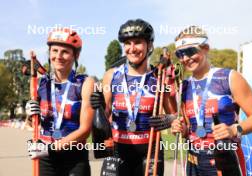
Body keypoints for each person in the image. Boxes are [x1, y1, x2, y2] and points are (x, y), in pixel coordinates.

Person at [150, 26, 252, 176]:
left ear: (205, 48)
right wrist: (181, 129)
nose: (185, 58)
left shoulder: (229, 77)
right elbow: (190, 129)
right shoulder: (185, 86)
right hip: (193, 162)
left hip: (225, 159)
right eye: (180, 54)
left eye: (190, 51)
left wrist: (234, 130)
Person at [90, 19, 176, 176]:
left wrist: (170, 119)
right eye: (127, 43)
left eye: (138, 42)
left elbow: (175, 115)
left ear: (149, 45)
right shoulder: (112, 75)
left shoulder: (159, 76)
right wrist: (99, 106)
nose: (132, 48)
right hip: (117, 149)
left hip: (150, 150)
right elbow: (105, 114)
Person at [26, 28, 95, 176]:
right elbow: (34, 124)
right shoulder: (41, 82)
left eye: (65, 52)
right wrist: (30, 114)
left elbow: (85, 131)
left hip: (74, 158)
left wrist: (51, 148)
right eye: (54, 50)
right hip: (45, 158)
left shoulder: (85, 83)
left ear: (76, 55)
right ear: (49, 53)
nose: (59, 56)